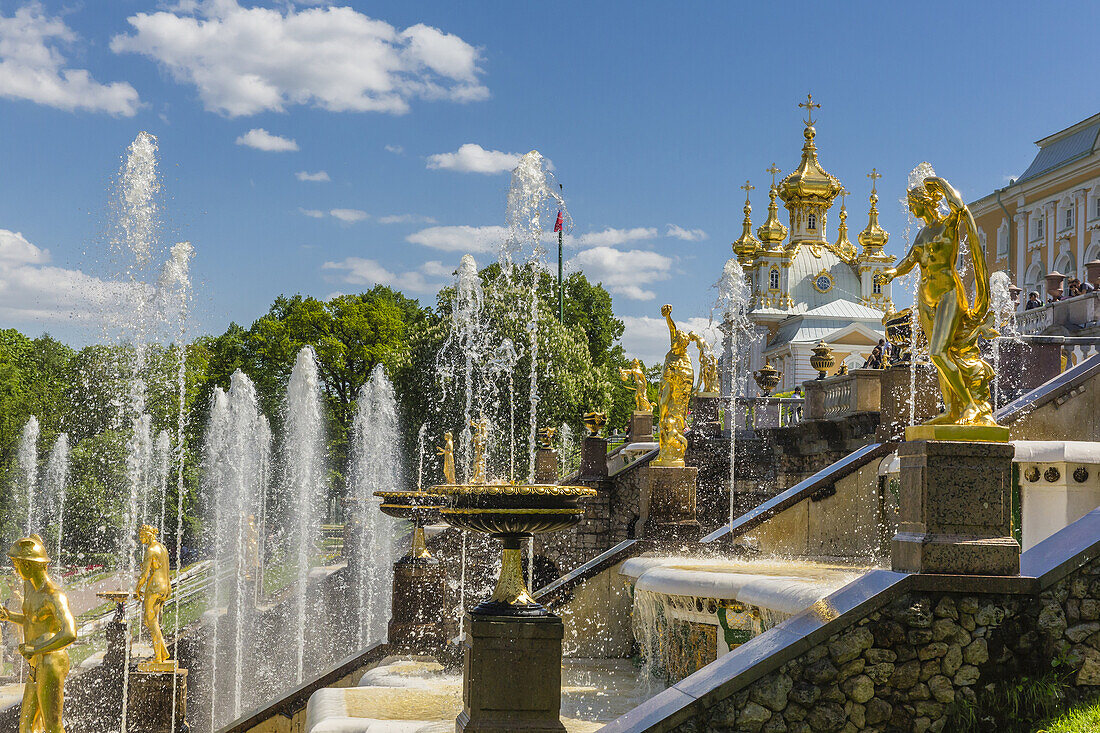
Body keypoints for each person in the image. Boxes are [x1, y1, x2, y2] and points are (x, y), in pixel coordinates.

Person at [0, 535, 76, 733]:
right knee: (26, 727)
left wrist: (36, 648)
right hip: (36, 663)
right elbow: (32, 620)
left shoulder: (53, 595)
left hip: (51, 662)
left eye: (17, 564)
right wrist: (8, 616)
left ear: (28, 565)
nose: (15, 569)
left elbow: (70, 633)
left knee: (52, 725)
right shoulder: (29, 587)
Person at [135, 525, 172, 665]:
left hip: (154, 587)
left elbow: (144, 575)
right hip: (165, 586)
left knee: (149, 620)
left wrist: (137, 589)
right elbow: (163, 567)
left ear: (148, 535)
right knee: (152, 620)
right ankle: (162, 652)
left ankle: (158, 656)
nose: (140, 539)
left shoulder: (150, 550)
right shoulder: (162, 548)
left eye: (142, 536)